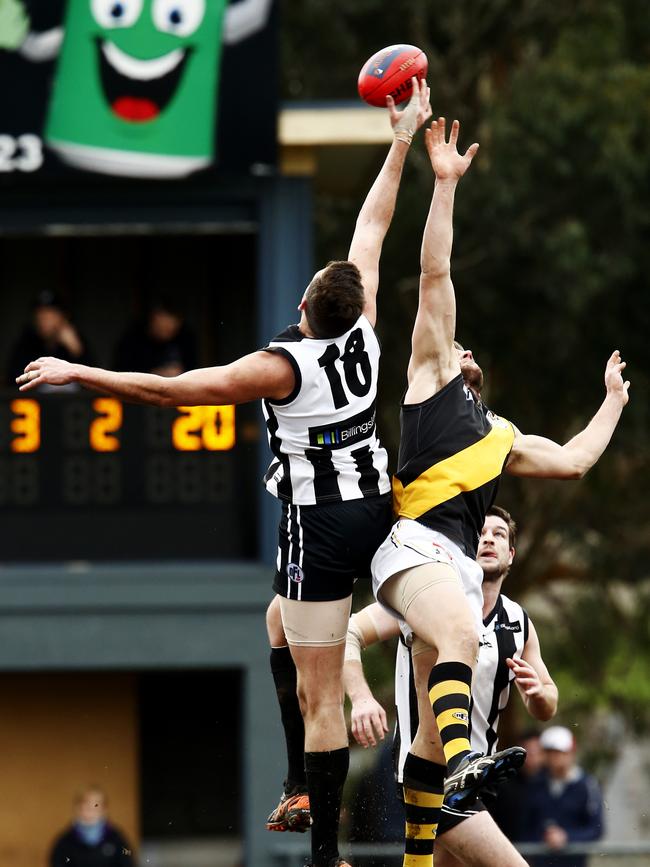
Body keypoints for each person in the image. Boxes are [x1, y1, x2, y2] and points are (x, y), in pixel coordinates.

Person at [17, 80, 434, 867]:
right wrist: (403, 138)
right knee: (276, 624)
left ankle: (321, 849)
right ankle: (296, 779)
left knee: (320, 698)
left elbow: (171, 390)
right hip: (377, 506)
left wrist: (81, 369)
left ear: (310, 304)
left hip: (319, 524)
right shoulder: (368, 328)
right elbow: (374, 223)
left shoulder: (283, 367)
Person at [368, 116, 629, 863]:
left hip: (447, 567)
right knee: (450, 654)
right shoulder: (429, 377)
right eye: (455, 341)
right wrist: (444, 185)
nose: (459, 343)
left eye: (464, 346)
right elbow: (434, 277)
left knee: (423, 733)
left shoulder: (501, 437)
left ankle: (440, 783)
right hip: (414, 548)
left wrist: (612, 399)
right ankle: (461, 767)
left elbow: (577, 460)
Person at [345, 505, 558, 867]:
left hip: (474, 783)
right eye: (481, 533)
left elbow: (548, 702)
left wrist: (538, 694)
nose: (489, 539)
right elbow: (348, 633)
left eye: (499, 535)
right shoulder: (426, 597)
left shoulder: (518, 621)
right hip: (430, 778)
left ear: (511, 555)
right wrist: (361, 698)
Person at [523, 726, 603, 867]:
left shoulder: (587, 785)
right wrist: (543, 839)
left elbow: (596, 829)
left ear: (571, 752)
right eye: (550, 752)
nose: (554, 758)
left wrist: (567, 837)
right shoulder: (535, 785)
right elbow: (526, 826)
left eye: (559, 752)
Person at [7, 290, 93, 386]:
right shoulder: (26, 343)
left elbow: (95, 383)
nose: (44, 319)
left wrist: (78, 352)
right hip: (36, 399)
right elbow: (13, 383)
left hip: (73, 400)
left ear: (64, 316)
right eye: (40, 313)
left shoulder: (77, 341)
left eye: (50, 313)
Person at [49, 786, 134, 867]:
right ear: (77, 808)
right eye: (86, 807)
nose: (90, 812)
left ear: (104, 810)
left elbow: (127, 863)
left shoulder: (116, 839)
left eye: (96, 807)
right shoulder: (64, 842)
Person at [115, 297, 197, 377]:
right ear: (152, 318)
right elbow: (121, 374)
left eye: (171, 328)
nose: (168, 327)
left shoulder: (185, 339)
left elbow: (194, 372)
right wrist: (154, 374)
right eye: (163, 326)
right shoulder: (133, 340)